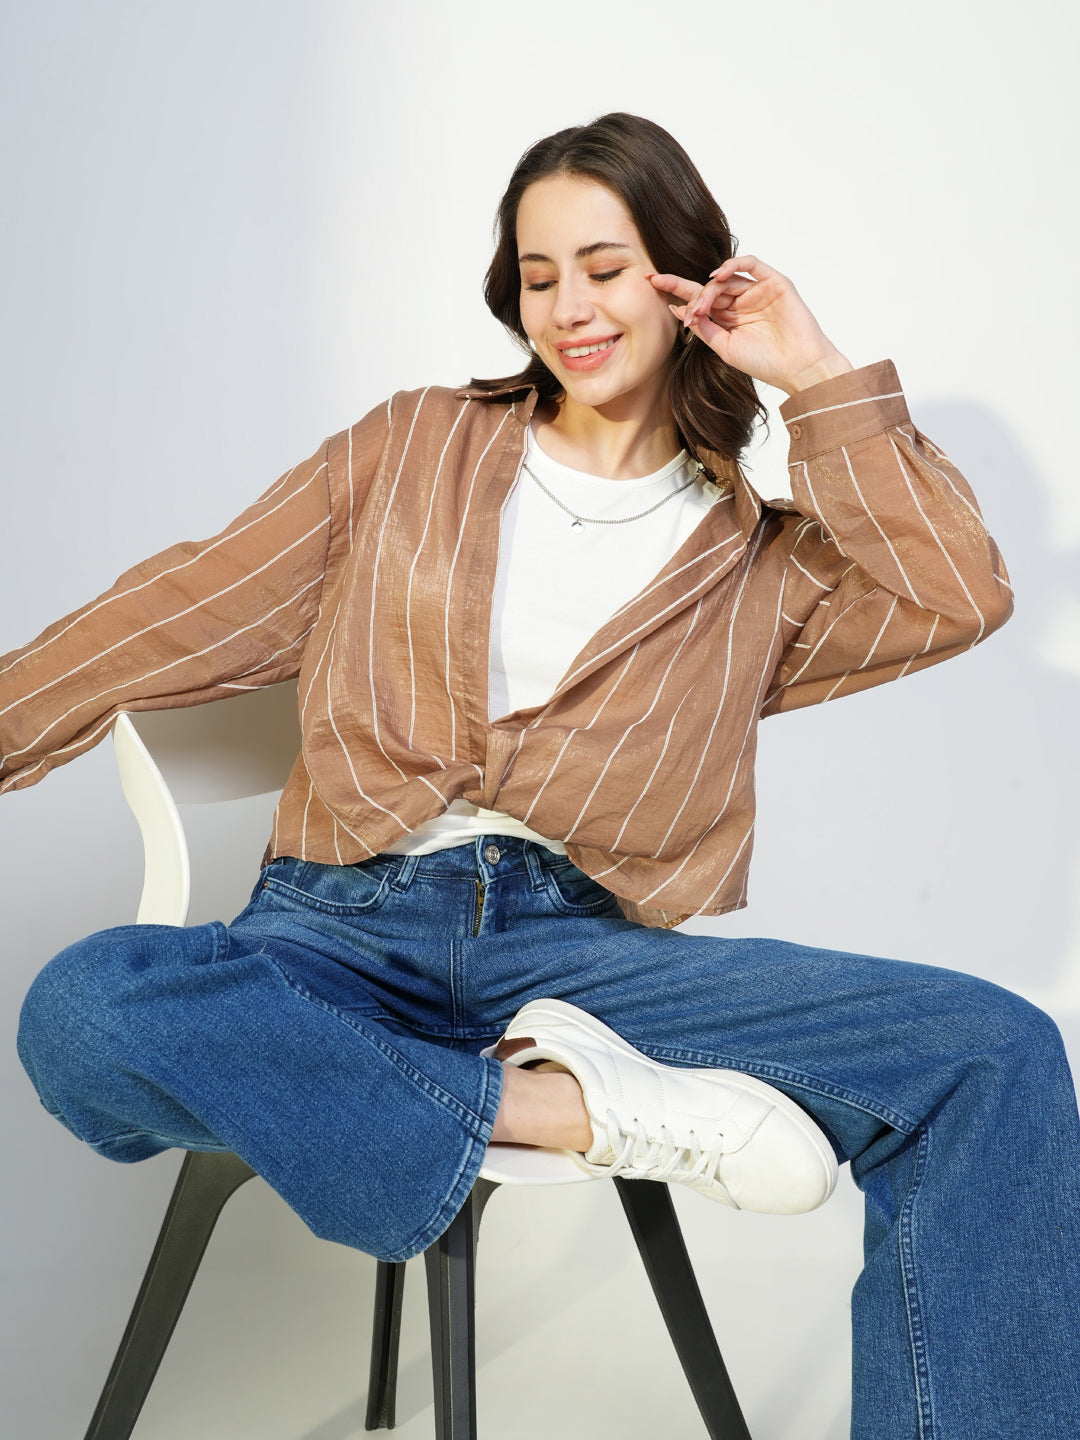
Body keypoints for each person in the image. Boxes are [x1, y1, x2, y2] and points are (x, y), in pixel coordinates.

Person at [4, 111, 1079, 1438]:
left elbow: (957, 592)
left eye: (607, 265)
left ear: (685, 278)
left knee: (996, 1056)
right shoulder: (406, 451)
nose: (568, 305)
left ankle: (504, 1097)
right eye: (538, 272)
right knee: (82, 1008)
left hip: (588, 962)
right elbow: (176, 612)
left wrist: (814, 374)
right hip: (331, 938)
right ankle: (559, 1110)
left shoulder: (765, 566)